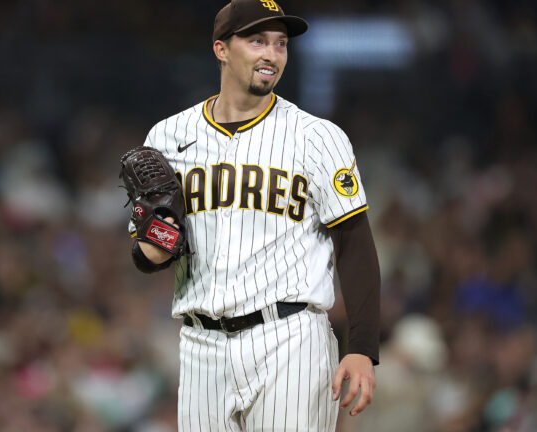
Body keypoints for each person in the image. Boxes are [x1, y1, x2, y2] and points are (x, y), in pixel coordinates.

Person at [128, 0, 380, 430]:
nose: (272, 54)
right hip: (200, 342)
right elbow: (147, 255)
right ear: (221, 49)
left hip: (289, 338)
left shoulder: (317, 137)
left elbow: (355, 244)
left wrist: (362, 347)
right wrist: (155, 243)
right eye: (257, 40)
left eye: (281, 44)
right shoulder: (168, 137)